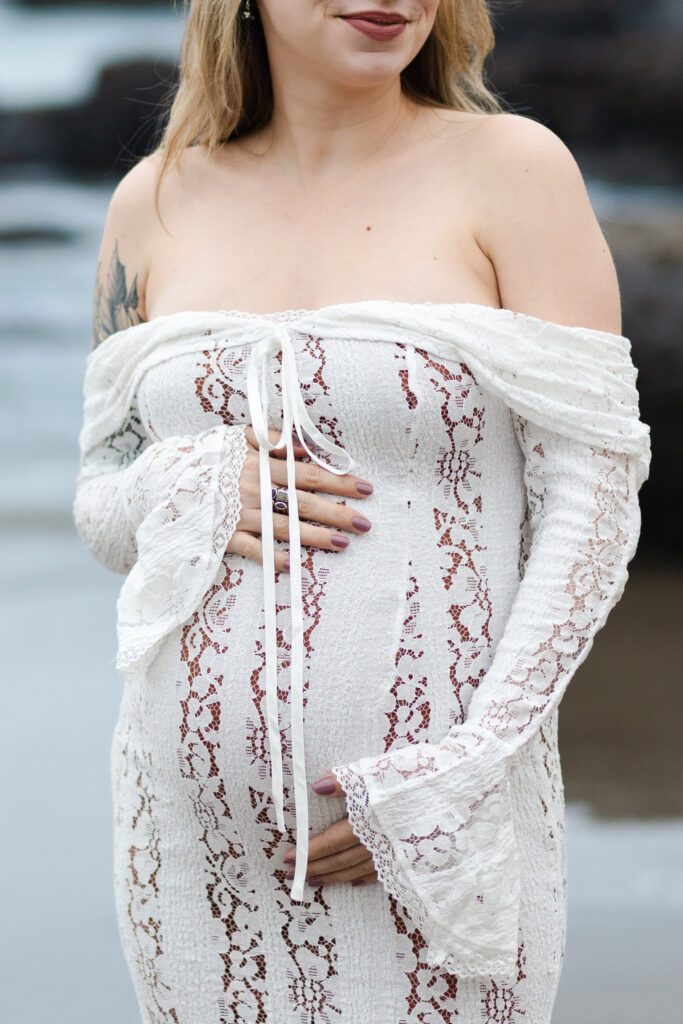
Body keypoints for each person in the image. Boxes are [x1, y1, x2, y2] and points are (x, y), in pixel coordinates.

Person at [72, 2, 650, 1022]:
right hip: (192, 844)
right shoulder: (149, 203)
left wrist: (458, 775)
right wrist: (188, 486)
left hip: (433, 830)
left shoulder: (512, 169)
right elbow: (102, 501)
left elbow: (593, 495)